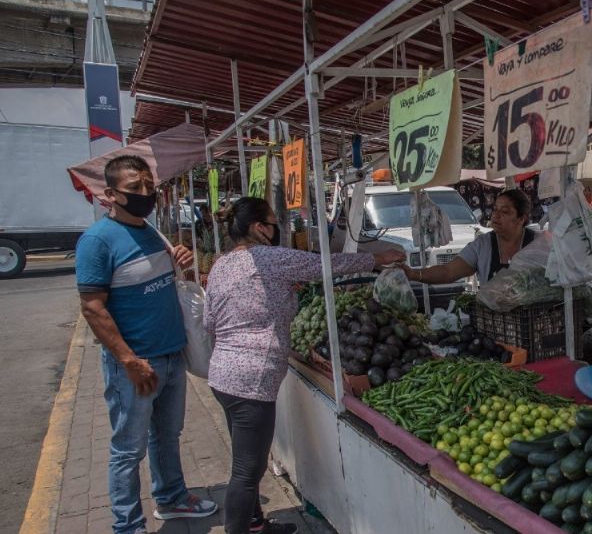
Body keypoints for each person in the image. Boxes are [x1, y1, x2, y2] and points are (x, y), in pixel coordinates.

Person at [203, 197, 404, 534]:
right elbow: (324, 265)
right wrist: (376, 259)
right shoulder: (267, 258)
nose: (276, 228)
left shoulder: (222, 265)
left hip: (223, 373)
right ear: (258, 228)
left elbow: (209, 321)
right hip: (252, 379)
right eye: (272, 221)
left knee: (246, 456)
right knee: (246, 470)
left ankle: (254, 524)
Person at [76, 155, 218, 534]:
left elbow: (163, 283)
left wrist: (180, 262)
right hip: (137, 364)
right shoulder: (97, 241)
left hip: (172, 355)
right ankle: (128, 525)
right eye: (134, 188)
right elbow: (92, 308)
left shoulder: (151, 231)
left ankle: (171, 498)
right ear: (110, 195)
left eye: (148, 186)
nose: (145, 194)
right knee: (128, 449)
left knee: (168, 435)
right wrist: (127, 360)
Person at [403, 189, 537, 286]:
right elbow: (448, 271)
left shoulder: (539, 244)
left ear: (521, 218)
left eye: (505, 211)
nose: (495, 215)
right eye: (495, 209)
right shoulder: (483, 245)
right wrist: (414, 274)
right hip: (495, 321)